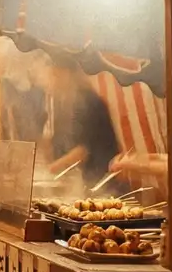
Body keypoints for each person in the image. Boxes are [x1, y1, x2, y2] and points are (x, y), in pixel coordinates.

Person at [44, 57, 120, 188]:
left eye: (56, 75)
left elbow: (82, 151)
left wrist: (49, 170)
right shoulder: (65, 101)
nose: (52, 81)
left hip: (102, 179)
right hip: (87, 179)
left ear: (68, 74)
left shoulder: (88, 100)